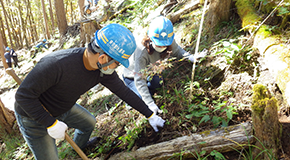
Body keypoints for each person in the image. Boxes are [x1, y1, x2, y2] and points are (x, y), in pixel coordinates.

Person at [14, 23, 165, 160]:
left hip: (64, 106)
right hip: (33, 116)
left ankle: (79, 148)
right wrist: (50, 123)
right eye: (117, 64)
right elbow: (23, 97)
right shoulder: (56, 64)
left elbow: (124, 92)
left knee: (88, 123)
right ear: (103, 58)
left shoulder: (102, 72)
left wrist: (150, 114)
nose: (116, 68)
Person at [122, 16, 206, 112]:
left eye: (164, 45)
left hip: (150, 72)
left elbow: (178, 51)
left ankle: (147, 90)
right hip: (132, 76)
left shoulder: (168, 40)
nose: (162, 47)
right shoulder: (141, 51)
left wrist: (191, 57)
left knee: (158, 82)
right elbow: (139, 79)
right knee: (139, 100)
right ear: (150, 38)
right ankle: (132, 93)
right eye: (158, 44)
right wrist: (150, 104)